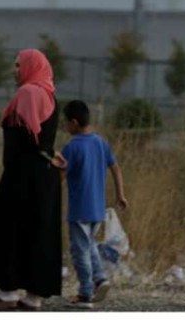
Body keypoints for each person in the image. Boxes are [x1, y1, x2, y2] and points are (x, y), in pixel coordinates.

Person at [0, 49, 62, 311]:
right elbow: (43, 139)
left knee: (7, 228)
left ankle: (7, 292)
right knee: (39, 233)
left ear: (30, 66)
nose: (15, 70)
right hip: (44, 175)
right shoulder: (50, 94)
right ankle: (33, 297)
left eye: (18, 65)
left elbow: (29, 135)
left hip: (23, 176)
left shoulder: (28, 93)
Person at [52, 99, 128, 309]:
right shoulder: (101, 143)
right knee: (90, 245)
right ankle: (100, 279)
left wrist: (53, 166)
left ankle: (85, 293)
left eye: (66, 123)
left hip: (79, 210)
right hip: (97, 209)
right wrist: (120, 195)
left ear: (74, 123)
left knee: (79, 250)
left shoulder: (72, 147)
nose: (66, 127)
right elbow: (116, 169)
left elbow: (61, 176)